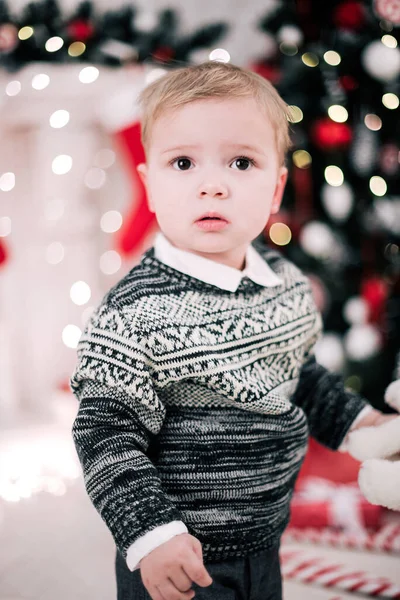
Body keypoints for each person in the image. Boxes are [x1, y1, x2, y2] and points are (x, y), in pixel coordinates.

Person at [70, 61, 395, 600]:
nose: (213, 186)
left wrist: (364, 425)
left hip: (264, 542)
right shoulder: (133, 314)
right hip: (179, 555)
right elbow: (106, 435)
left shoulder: (284, 284)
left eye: (241, 162)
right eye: (183, 163)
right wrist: (151, 533)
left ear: (276, 188)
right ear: (148, 185)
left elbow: (301, 377)